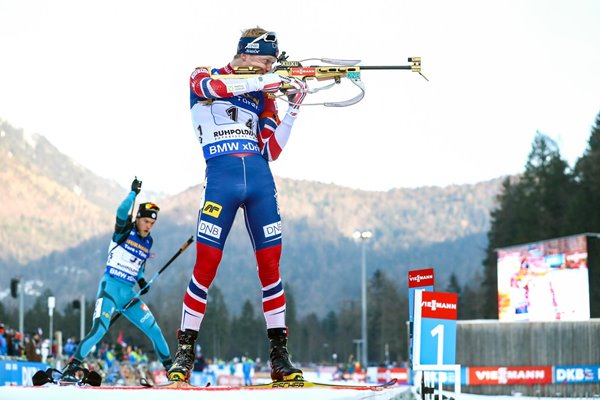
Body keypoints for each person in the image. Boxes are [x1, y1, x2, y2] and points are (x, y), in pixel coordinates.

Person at [167, 27, 306, 383]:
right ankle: (185, 351)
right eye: (265, 60)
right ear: (245, 53)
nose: (269, 67)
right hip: (221, 179)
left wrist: (293, 108)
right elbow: (212, 90)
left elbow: (271, 150)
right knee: (207, 262)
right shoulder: (205, 76)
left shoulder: (265, 95)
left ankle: (279, 356)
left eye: (274, 63)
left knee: (271, 267)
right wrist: (264, 82)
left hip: (259, 181)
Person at [61, 178, 172, 382]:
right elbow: (121, 212)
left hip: (128, 295)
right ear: (138, 218)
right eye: (146, 221)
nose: (149, 226)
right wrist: (132, 194)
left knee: (154, 329)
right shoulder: (123, 230)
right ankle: (71, 367)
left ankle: (172, 370)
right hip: (109, 290)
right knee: (99, 330)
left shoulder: (148, 241)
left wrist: (141, 281)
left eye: (152, 223)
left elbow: (139, 266)